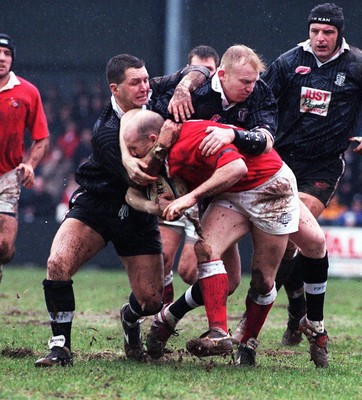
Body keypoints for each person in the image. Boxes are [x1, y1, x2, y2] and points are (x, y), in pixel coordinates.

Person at [35, 54, 210, 367]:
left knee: (152, 300)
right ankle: (60, 347)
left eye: (145, 79)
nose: (144, 87)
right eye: (135, 83)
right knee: (57, 263)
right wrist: (163, 144)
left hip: (138, 216)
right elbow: (140, 178)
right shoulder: (105, 132)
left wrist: (183, 88)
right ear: (115, 89)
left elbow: (198, 70)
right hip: (99, 204)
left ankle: (129, 319)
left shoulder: (154, 91)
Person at [121, 110, 328, 367]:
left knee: (263, 279)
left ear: (153, 138)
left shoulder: (191, 140)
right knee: (206, 250)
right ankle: (218, 332)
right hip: (231, 192)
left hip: (268, 188)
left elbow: (237, 167)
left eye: (132, 149)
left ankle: (249, 341)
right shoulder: (157, 151)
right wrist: (156, 207)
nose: (130, 156)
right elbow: (132, 192)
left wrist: (190, 197)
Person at [249, 2, 362, 350]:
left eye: (327, 32)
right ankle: (297, 307)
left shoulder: (360, 64)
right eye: (315, 31)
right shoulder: (288, 62)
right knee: (288, 243)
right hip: (281, 162)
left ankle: (250, 324)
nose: (320, 38)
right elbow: (259, 99)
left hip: (323, 167)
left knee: (289, 229)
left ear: (340, 34)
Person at [159, 45, 220, 302]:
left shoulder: (223, 102)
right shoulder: (169, 101)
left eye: (209, 71)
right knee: (160, 257)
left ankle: (213, 301)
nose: (202, 77)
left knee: (188, 271)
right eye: (197, 71)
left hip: (205, 194)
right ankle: (162, 311)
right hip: (175, 186)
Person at [0, 33, 50, 283]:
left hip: (8, 177)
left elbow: (42, 137)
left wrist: (30, 165)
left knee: (5, 250)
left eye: (7, 53)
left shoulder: (27, 92)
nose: (2, 58)